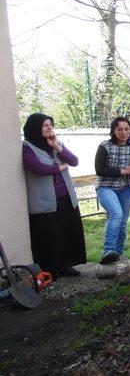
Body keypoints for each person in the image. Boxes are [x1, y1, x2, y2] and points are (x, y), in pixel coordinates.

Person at [22, 113, 86, 278]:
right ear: (35, 128)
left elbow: (74, 161)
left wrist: (56, 146)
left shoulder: (56, 144)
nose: (49, 128)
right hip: (45, 201)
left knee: (67, 232)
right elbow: (36, 167)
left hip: (66, 197)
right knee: (50, 235)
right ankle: (50, 269)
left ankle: (67, 266)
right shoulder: (27, 147)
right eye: (45, 125)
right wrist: (58, 168)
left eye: (51, 124)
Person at [95, 116, 130, 264]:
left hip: (126, 188)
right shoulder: (105, 146)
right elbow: (99, 169)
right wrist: (124, 171)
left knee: (123, 222)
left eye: (127, 129)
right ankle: (108, 250)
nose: (123, 132)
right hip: (106, 187)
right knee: (116, 214)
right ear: (113, 131)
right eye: (119, 129)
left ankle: (118, 254)